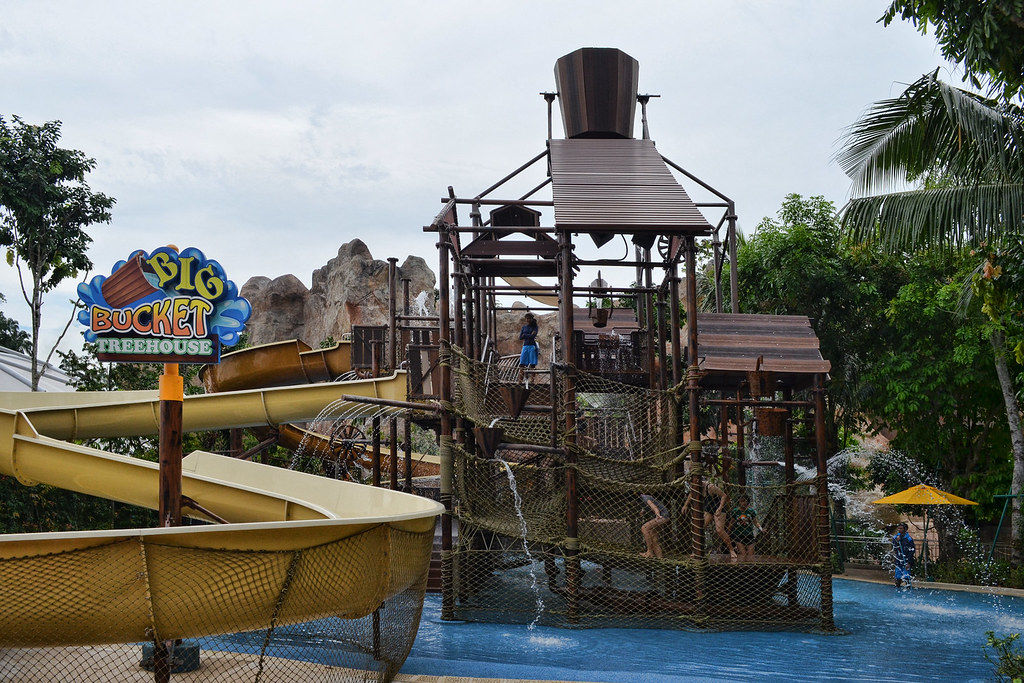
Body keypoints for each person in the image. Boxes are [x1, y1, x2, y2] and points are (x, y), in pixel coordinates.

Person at [681, 479, 736, 560]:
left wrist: (720, 509)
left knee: (719, 530)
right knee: (700, 528)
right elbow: (691, 494)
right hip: (709, 507)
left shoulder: (710, 487)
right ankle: (696, 551)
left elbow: (724, 496)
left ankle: (731, 550)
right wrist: (685, 505)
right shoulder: (695, 488)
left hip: (718, 507)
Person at [729, 494, 763, 561]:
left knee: (751, 556)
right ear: (739, 502)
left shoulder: (751, 511)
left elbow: (755, 522)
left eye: (745, 501)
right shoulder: (735, 511)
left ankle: (751, 570)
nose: (743, 503)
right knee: (742, 554)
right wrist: (728, 533)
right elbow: (731, 522)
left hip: (749, 535)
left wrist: (761, 529)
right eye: (741, 501)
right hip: (739, 535)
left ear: (747, 502)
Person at [639, 493, 670, 558]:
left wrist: (658, 516)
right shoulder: (645, 498)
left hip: (662, 516)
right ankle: (660, 558)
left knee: (644, 528)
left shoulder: (644, 498)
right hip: (663, 516)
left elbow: (655, 508)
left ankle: (649, 552)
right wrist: (643, 511)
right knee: (654, 539)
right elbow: (651, 504)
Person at [891, 522, 916, 588]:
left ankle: (908, 588)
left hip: (906, 560)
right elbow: (893, 547)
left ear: (905, 529)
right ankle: (897, 588)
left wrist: (909, 562)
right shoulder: (896, 537)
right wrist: (896, 542)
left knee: (907, 576)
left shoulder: (909, 539)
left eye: (901, 528)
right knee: (898, 576)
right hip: (899, 560)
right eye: (898, 528)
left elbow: (912, 550)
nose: (899, 530)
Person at [518, 312, 538, 382]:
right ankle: (520, 381)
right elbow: (520, 337)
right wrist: (529, 334)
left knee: (532, 364)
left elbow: (533, 336)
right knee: (522, 363)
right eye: (526, 318)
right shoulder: (524, 327)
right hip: (525, 345)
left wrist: (525, 335)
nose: (528, 320)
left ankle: (532, 380)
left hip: (532, 346)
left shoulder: (535, 327)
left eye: (529, 318)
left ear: (532, 319)